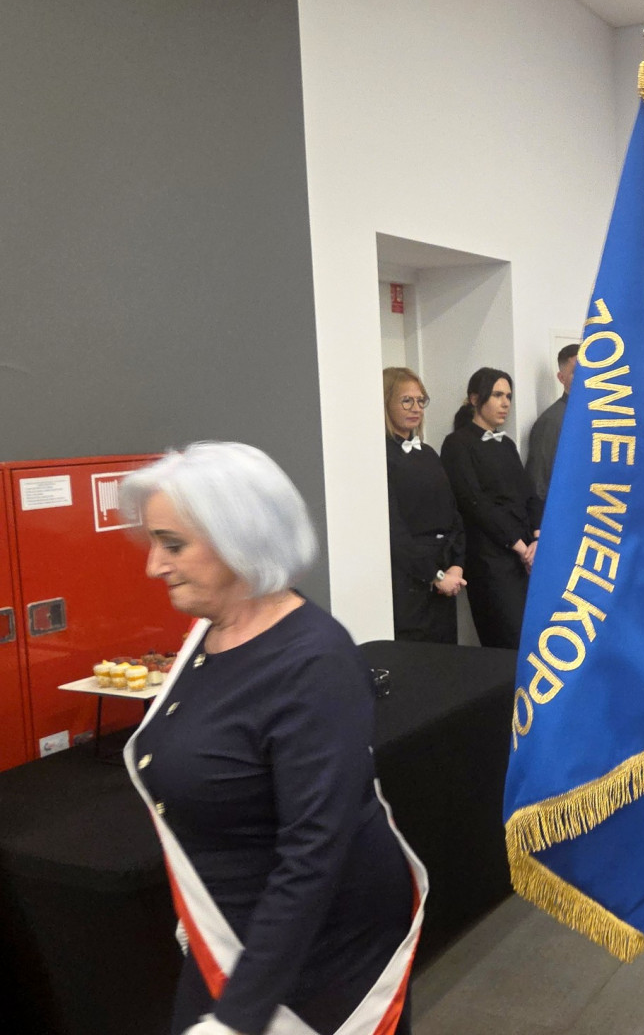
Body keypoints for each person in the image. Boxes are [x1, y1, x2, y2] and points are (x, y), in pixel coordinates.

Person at [120, 442, 426, 1035]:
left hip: (314, 956)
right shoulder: (209, 634)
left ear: (241, 540)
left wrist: (238, 1017)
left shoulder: (314, 663)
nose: (154, 565)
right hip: (232, 927)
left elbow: (315, 850)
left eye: (173, 544)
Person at [440, 367, 543, 650]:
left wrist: (537, 539)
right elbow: (475, 504)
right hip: (490, 560)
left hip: (524, 557)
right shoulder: (457, 444)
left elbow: (529, 495)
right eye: (497, 395)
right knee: (507, 643)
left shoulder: (506, 444)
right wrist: (520, 546)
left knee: (533, 641)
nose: (505, 403)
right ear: (475, 399)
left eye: (508, 396)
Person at [383, 366, 466, 643]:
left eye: (421, 400)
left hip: (444, 570)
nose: (416, 408)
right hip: (409, 578)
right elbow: (393, 528)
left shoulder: (429, 453)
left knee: (446, 655)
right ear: (385, 403)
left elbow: (453, 514)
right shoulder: (381, 455)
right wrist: (434, 575)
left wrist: (456, 565)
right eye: (406, 400)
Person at [524, 342, 579, 501]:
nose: (585, 377)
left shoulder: (602, 415)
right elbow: (538, 483)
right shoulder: (552, 421)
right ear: (561, 378)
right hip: (564, 507)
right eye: (576, 372)